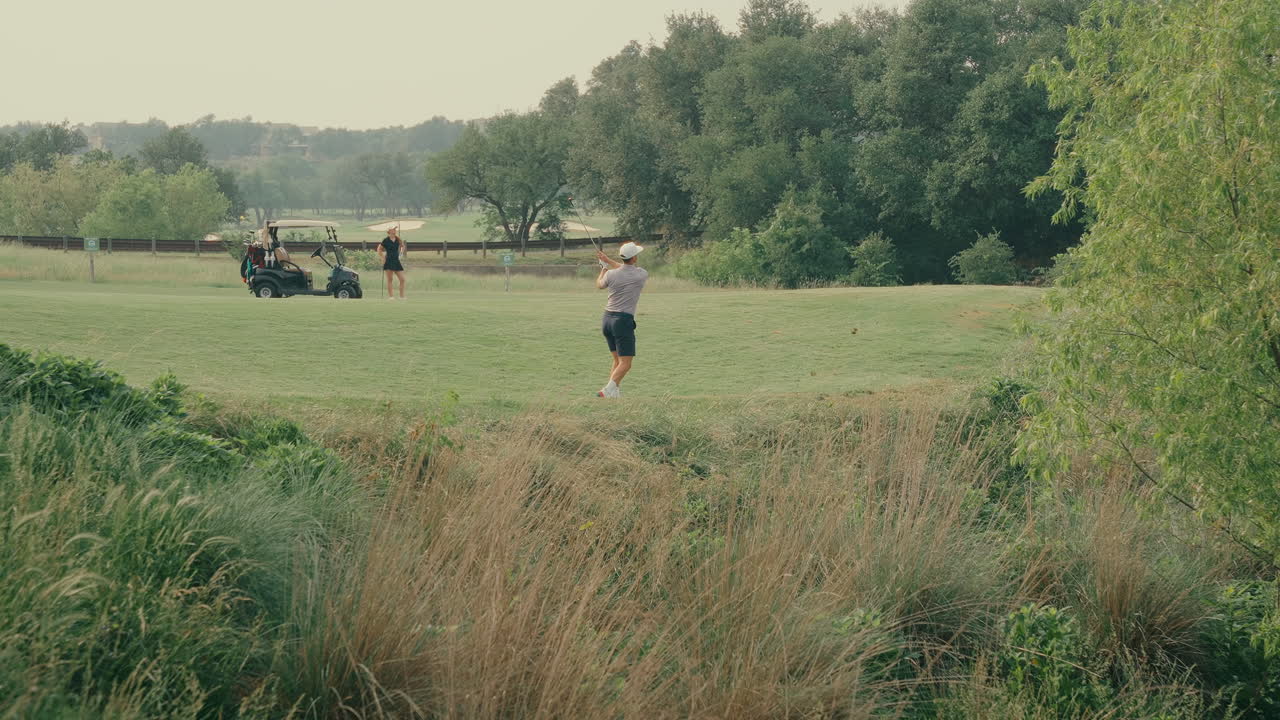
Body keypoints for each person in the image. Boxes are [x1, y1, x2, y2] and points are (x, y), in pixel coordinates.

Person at [595, 241, 648, 398]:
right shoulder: (641, 274)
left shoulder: (611, 274)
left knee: (618, 360)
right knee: (626, 363)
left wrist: (604, 266)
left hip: (607, 319)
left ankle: (614, 392)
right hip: (622, 320)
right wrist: (608, 261)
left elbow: (599, 285)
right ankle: (608, 389)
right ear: (634, 258)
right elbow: (625, 269)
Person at [378, 225, 407, 299]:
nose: (394, 231)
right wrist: (382, 257)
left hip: (396, 261)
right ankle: (391, 296)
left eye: (395, 230)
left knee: (402, 279)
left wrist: (400, 254)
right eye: (393, 230)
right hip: (388, 261)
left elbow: (402, 246)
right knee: (390, 279)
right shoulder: (386, 240)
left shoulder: (397, 239)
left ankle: (402, 296)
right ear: (389, 232)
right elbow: (379, 249)